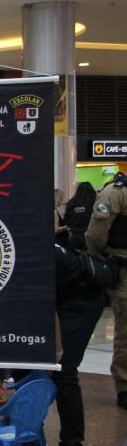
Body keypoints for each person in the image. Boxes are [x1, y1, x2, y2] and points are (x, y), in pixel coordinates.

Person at [47, 244, 107, 446]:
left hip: (82, 299)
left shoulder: (34, 253)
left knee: (63, 369)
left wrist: (56, 353)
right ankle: (27, 435)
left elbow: (45, 308)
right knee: (25, 364)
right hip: (60, 294)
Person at [86, 174, 127, 410]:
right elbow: (95, 235)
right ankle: (124, 386)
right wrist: (104, 260)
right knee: (124, 333)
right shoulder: (116, 193)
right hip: (123, 270)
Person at [63, 182, 96, 251]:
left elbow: (66, 220)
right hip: (89, 236)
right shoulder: (94, 203)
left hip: (74, 237)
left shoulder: (71, 203)